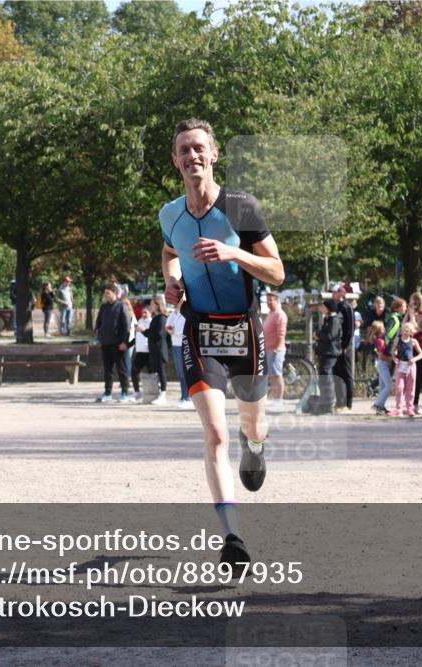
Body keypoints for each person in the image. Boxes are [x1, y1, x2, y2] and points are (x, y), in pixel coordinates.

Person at [159, 118, 284, 571]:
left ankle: (255, 446)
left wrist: (234, 253)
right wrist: (172, 283)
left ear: (213, 156)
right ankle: (233, 538)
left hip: (243, 330)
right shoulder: (169, 214)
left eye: (199, 149)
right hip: (198, 331)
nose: (192, 156)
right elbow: (171, 253)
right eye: (184, 150)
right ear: (175, 161)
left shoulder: (241, 208)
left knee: (251, 426)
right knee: (214, 433)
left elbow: (277, 272)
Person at [95, 284, 130, 402]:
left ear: (115, 293)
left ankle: (125, 392)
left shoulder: (121, 306)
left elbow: (127, 326)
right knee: (107, 370)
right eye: (105, 294)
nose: (106, 296)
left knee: (122, 369)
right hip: (106, 343)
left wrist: (125, 342)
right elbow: (99, 322)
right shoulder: (104, 307)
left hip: (118, 344)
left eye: (108, 293)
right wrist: (98, 334)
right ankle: (107, 392)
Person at [315, 299, 344, 413]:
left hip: (330, 352)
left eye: (323, 306)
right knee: (323, 376)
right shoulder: (328, 319)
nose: (321, 309)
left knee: (327, 377)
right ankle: (324, 402)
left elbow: (330, 335)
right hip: (325, 352)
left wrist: (318, 335)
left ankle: (328, 403)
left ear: (328, 308)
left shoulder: (334, 320)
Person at [389, 321, 422, 417]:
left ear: (411, 332)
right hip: (401, 366)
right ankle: (398, 409)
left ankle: (410, 408)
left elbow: (421, 354)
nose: (405, 332)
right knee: (399, 388)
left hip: (411, 366)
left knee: (410, 388)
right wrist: (394, 357)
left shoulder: (413, 341)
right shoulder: (397, 340)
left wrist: (414, 359)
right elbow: (393, 351)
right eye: (403, 330)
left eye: (407, 330)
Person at [263, 291, 288, 413]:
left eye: (271, 300)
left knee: (277, 376)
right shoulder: (271, 313)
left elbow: (281, 333)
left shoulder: (280, 314)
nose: (268, 302)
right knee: (272, 377)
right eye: (267, 300)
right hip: (268, 349)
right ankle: (275, 401)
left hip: (275, 350)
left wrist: (277, 349)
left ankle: (279, 402)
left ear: (276, 300)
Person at [331, 285, 355, 413]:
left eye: (335, 292)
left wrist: (346, 345)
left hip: (344, 347)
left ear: (341, 293)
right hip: (335, 347)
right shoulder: (335, 307)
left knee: (346, 375)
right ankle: (339, 402)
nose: (333, 294)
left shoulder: (346, 306)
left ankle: (348, 403)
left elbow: (350, 328)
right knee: (337, 374)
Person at [165, 306, 192, 409]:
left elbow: (183, 329)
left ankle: (188, 397)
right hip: (175, 343)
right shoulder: (174, 314)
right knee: (180, 372)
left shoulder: (186, 314)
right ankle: (183, 396)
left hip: (183, 343)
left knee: (184, 371)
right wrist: (170, 329)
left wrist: (173, 330)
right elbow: (168, 325)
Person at [145, 297, 170, 406]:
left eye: (152, 304)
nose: (150, 307)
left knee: (161, 372)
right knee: (157, 372)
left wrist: (146, 331)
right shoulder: (156, 317)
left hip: (159, 349)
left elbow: (159, 334)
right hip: (154, 349)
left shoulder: (161, 318)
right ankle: (159, 393)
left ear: (157, 305)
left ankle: (163, 394)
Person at [367, 321, 393, 415]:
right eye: (383, 328)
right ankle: (377, 404)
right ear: (379, 330)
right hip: (383, 364)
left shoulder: (381, 339)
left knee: (382, 387)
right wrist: (392, 358)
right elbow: (381, 356)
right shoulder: (380, 341)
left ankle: (380, 406)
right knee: (389, 386)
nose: (385, 329)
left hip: (383, 364)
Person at [131, 300, 152, 401]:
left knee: (151, 373)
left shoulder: (152, 322)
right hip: (139, 352)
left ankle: (152, 392)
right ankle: (137, 392)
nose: (143, 314)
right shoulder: (139, 321)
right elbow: (136, 337)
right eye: (142, 312)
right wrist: (128, 344)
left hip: (149, 352)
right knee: (134, 371)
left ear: (150, 313)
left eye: (146, 312)